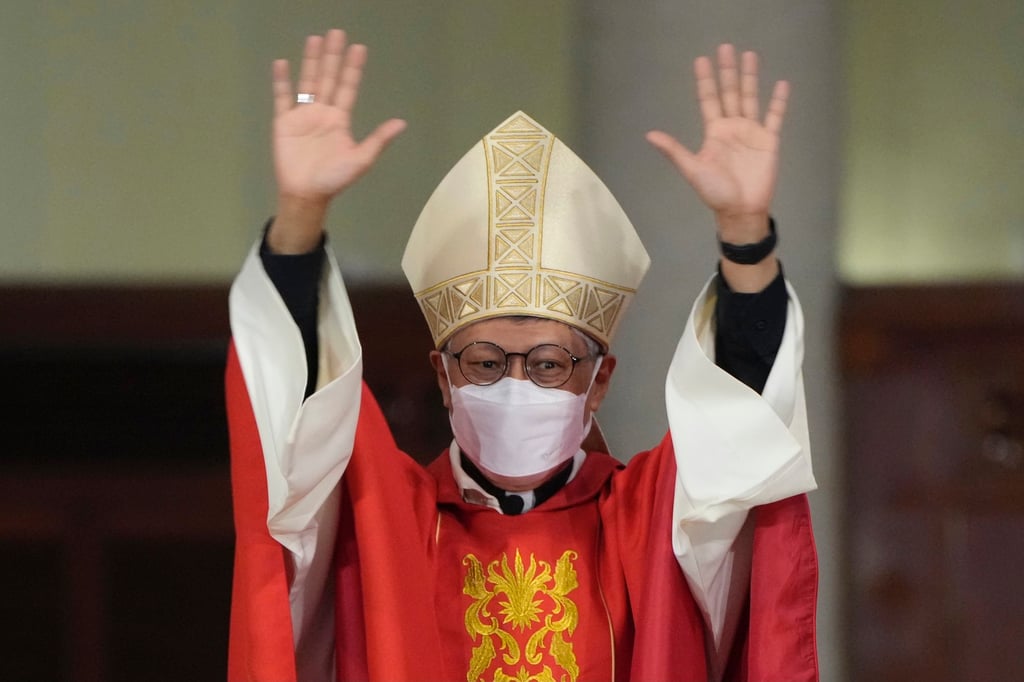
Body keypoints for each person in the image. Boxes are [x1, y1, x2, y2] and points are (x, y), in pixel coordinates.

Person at [226, 28, 818, 682]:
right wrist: (299, 220)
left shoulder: (647, 522)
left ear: (597, 384)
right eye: (484, 362)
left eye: (547, 364)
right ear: (443, 378)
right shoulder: (380, 520)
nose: (515, 386)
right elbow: (296, 428)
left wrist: (744, 239)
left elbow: (738, 433)